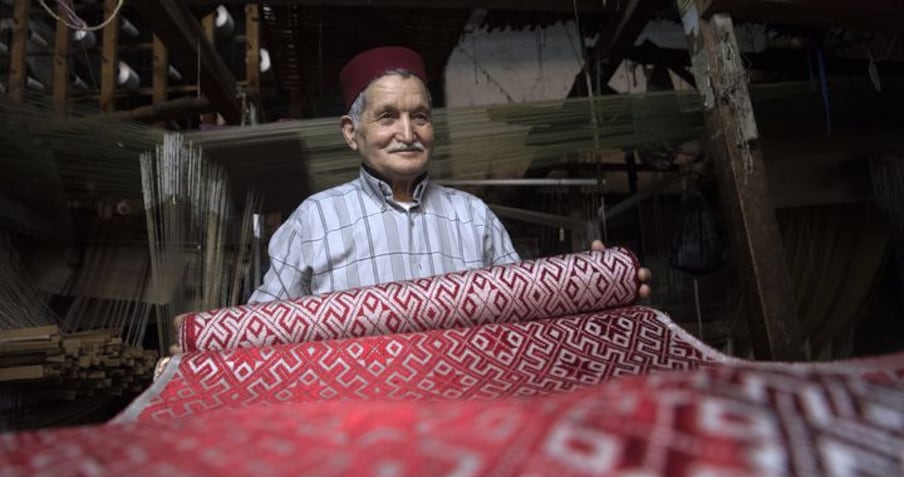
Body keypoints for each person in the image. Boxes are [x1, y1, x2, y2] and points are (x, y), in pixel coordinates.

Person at [248, 46, 650, 302]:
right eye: (387, 117)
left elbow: (522, 310)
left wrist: (593, 288)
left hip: (465, 408)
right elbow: (261, 329)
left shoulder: (474, 217)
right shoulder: (315, 220)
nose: (408, 134)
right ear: (352, 133)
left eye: (420, 117)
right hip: (356, 409)